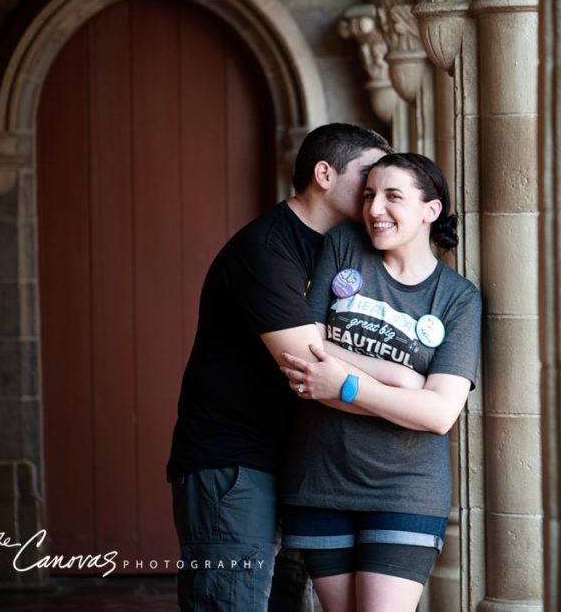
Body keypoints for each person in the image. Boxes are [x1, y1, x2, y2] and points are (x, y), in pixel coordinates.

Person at [166, 122, 398, 611]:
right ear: (324, 174)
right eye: (368, 176)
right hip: (234, 467)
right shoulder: (266, 250)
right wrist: (406, 389)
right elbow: (309, 365)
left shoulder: (344, 250)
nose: (377, 194)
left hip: (303, 467)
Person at [278, 152, 482, 612]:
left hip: (405, 488)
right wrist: (399, 380)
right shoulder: (344, 245)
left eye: (393, 196)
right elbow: (307, 354)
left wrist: (346, 386)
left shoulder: (457, 299)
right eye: (369, 195)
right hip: (320, 480)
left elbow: (438, 414)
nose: (373, 209)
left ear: (431, 210)